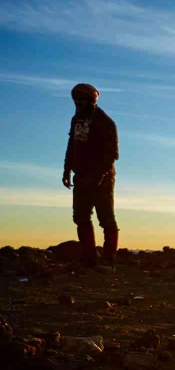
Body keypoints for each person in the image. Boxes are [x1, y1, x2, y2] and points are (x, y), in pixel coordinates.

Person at [62, 83, 118, 270]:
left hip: (102, 178)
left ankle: (109, 260)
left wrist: (100, 176)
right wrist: (66, 170)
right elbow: (72, 145)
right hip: (81, 176)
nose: (78, 102)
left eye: (82, 99)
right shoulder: (76, 120)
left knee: (106, 218)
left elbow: (112, 154)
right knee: (81, 217)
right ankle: (88, 259)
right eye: (76, 99)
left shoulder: (105, 122)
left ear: (91, 100)